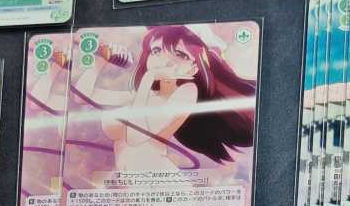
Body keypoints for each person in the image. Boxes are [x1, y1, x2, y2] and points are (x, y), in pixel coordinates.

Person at [69, 25, 255, 174]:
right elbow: (82, 96)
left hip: (153, 177)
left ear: (193, 68)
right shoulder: (148, 96)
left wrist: (149, 78)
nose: (165, 60)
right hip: (141, 181)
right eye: (156, 51)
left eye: (180, 55)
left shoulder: (187, 93)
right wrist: (101, 62)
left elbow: (135, 137)